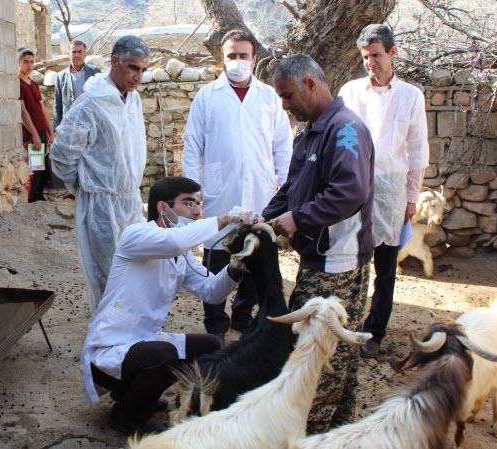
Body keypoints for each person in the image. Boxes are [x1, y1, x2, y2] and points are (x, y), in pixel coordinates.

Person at [80, 176, 256, 435]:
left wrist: (236, 264)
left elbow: (211, 292)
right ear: (163, 208)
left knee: (211, 346)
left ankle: (137, 394)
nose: (197, 210)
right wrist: (225, 218)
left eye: (199, 203)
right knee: (163, 354)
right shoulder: (136, 234)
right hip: (110, 348)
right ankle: (127, 415)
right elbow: (175, 241)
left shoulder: (181, 255)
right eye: (189, 203)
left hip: (143, 345)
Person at [262, 54, 374, 434]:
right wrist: (262, 221)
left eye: (288, 95)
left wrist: (298, 219)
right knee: (337, 359)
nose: (285, 105)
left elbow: (350, 192)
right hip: (317, 259)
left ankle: (311, 438)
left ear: (311, 84)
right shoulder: (309, 133)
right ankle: (338, 437)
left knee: (318, 365)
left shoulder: (345, 130)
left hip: (337, 265)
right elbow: (292, 189)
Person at [182, 28, 293, 341]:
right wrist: (193, 196)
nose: (238, 61)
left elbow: (283, 149)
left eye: (244, 55)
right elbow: (192, 149)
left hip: (261, 194)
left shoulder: (269, 98)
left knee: (255, 257)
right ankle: (215, 325)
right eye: (232, 55)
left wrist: (286, 192)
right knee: (216, 259)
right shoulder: (207, 97)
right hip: (219, 196)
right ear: (222, 58)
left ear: (255, 59)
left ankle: (242, 316)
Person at [338, 24, 430, 359]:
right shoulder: (351, 92)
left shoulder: (410, 96)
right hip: (354, 186)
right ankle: (344, 327)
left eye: (376, 55)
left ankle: (374, 331)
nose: (371, 63)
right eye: (365, 57)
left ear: (392, 53)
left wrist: (411, 197)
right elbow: (341, 138)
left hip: (391, 191)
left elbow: (418, 149)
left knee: (386, 269)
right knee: (349, 260)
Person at [50, 35, 151, 313]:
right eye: (133, 68)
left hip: (130, 201)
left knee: (136, 273)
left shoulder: (133, 99)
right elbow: (61, 154)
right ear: (114, 62)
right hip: (102, 208)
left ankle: (131, 342)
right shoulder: (91, 103)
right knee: (108, 279)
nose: (138, 76)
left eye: (143, 69)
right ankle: (106, 347)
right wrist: (80, 184)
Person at [19, 48, 55, 202]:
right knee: (34, 168)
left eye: (32, 61)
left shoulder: (33, 83)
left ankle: (39, 196)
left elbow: (42, 109)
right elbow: (23, 113)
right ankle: (32, 199)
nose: (29, 65)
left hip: (42, 132)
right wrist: (34, 134)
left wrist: (51, 132)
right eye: (25, 61)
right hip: (31, 133)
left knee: (43, 167)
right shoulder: (18, 84)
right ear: (19, 63)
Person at [53, 40, 101, 130]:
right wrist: (56, 130)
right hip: (69, 126)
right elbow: (58, 106)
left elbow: (101, 101)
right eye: (74, 52)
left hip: (91, 124)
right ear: (69, 54)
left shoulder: (95, 73)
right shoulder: (61, 76)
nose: (77, 55)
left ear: (85, 54)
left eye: (80, 52)